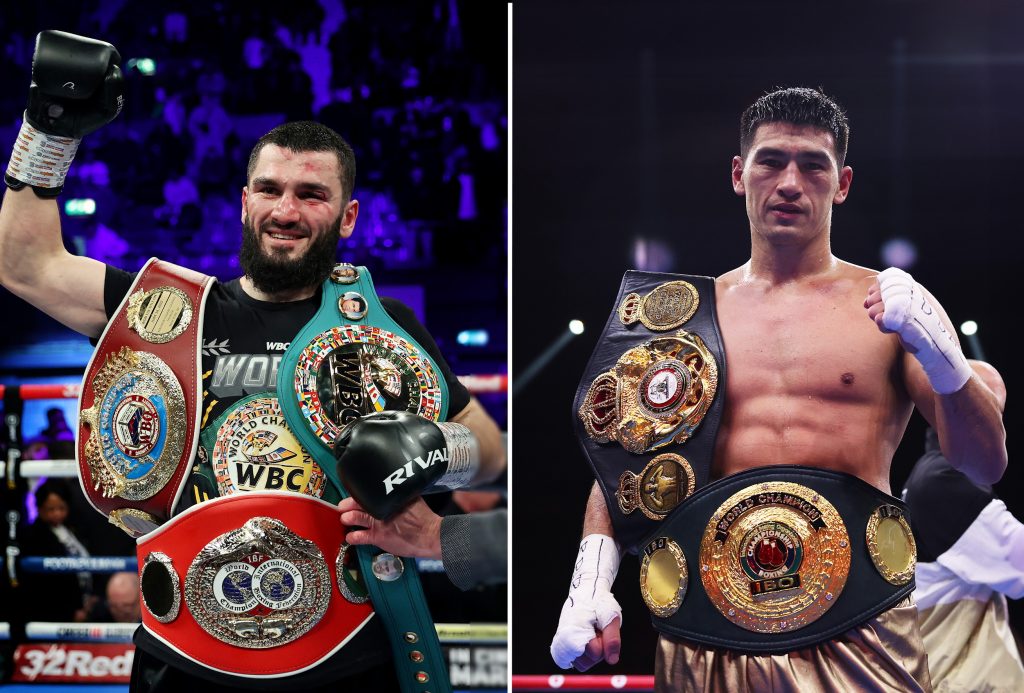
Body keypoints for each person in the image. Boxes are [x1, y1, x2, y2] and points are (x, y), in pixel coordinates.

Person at [0, 30, 504, 692]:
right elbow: (24, 264)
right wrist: (49, 126)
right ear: (245, 202)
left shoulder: (382, 327)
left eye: (311, 194)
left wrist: (433, 447)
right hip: (184, 655)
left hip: (348, 655)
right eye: (268, 189)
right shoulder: (166, 311)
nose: (285, 210)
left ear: (347, 216)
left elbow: (492, 453)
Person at [551, 87, 1006, 691]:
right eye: (771, 161)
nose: (790, 182)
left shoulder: (887, 309)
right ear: (740, 175)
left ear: (841, 183)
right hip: (706, 619)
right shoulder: (683, 318)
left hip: (861, 617)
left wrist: (947, 362)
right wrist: (590, 582)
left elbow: (983, 464)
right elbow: (627, 462)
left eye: (812, 165)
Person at [903, 361, 1024, 692]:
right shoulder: (943, 482)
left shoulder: (939, 474)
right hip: (960, 679)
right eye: (979, 401)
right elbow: (1018, 566)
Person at [19, 479, 96, 623]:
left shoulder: (74, 528)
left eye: (61, 508)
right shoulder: (32, 536)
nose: (57, 514)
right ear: (40, 508)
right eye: (51, 509)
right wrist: (72, 610)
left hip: (86, 605)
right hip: (57, 612)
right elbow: (44, 585)